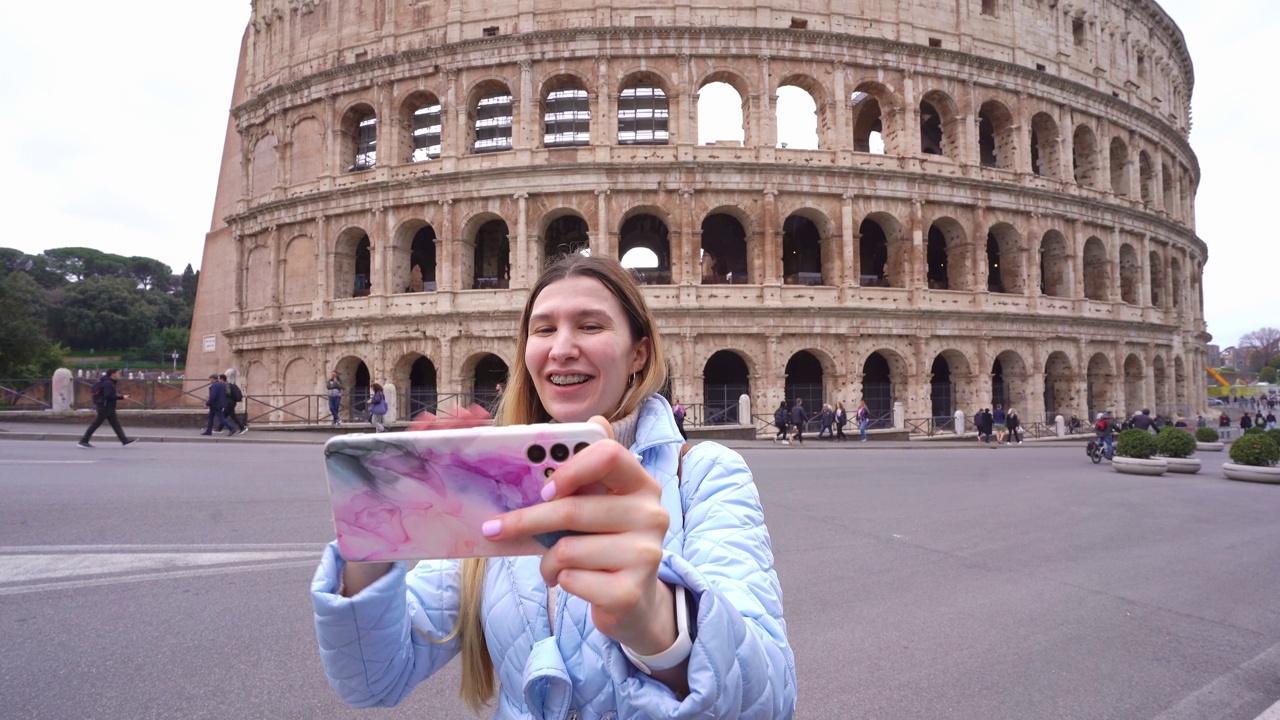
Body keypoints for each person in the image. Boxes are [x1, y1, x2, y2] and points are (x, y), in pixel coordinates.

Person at [311, 254, 796, 718]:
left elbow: (770, 699)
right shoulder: (489, 483)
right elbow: (376, 678)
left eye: (590, 325)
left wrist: (658, 625)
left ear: (638, 355)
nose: (562, 347)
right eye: (543, 329)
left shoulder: (705, 473)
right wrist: (371, 524)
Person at [78, 369, 136, 448]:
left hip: (107, 407)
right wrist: (122, 397)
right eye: (118, 373)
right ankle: (83, 440)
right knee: (96, 424)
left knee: (115, 424)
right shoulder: (108, 383)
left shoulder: (106, 381)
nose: (119, 375)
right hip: (105, 407)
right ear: (113, 374)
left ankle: (124, 440)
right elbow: (108, 396)